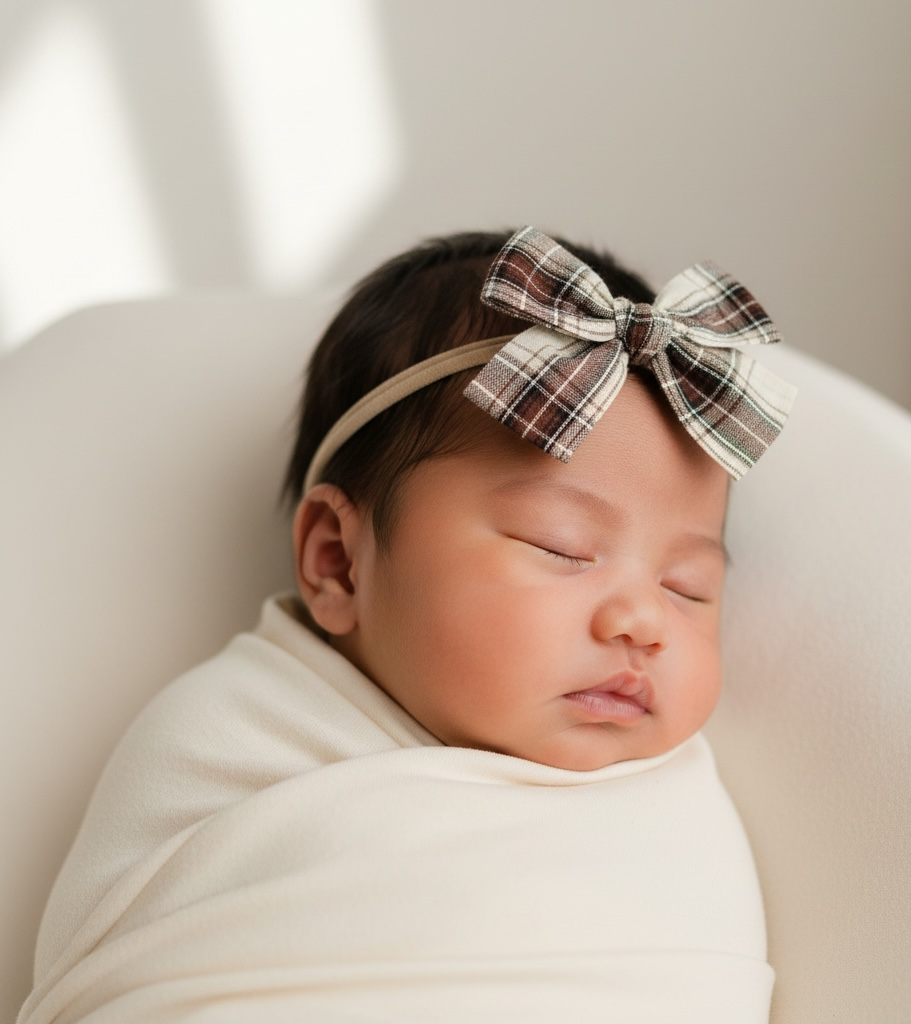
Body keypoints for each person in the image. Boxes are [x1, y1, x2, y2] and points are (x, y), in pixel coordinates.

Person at [19, 227, 795, 1024]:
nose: (643, 620)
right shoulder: (225, 742)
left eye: (688, 585)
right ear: (339, 562)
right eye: (558, 547)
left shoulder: (668, 820)